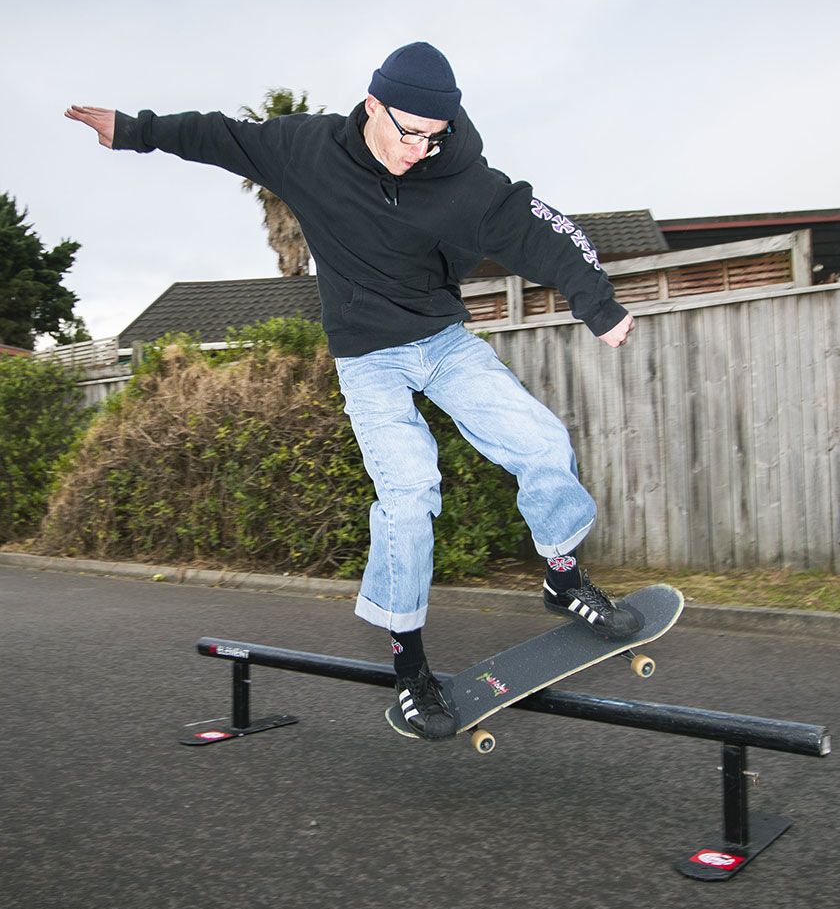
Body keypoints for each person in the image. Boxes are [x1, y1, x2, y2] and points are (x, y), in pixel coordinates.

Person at [66, 41, 637, 741]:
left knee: (541, 440)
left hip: (443, 342)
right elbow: (219, 135)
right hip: (367, 358)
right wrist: (133, 130)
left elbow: (544, 231)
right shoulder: (306, 149)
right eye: (407, 133)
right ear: (372, 106)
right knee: (407, 493)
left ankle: (563, 577)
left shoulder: (464, 178)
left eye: (433, 138)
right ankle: (411, 669)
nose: (418, 151)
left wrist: (599, 305)